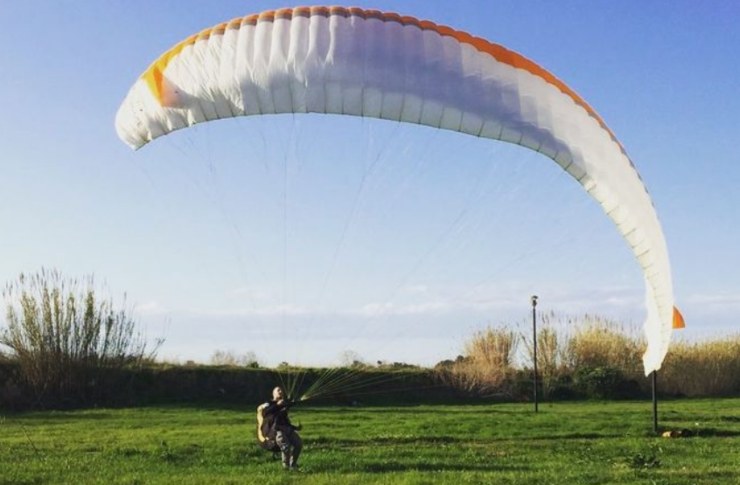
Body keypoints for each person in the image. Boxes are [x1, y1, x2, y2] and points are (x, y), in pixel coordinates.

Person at [261, 386, 303, 470]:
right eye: (278, 390)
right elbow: (265, 413)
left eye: (281, 390)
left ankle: (293, 464)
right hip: (278, 431)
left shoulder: (284, 405)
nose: (281, 391)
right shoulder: (269, 403)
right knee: (286, 447)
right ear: (273, 393)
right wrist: (277, 405)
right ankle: (286, 467)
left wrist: (295, 427)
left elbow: (284, 420)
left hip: (287, 429)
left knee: (299, 444)